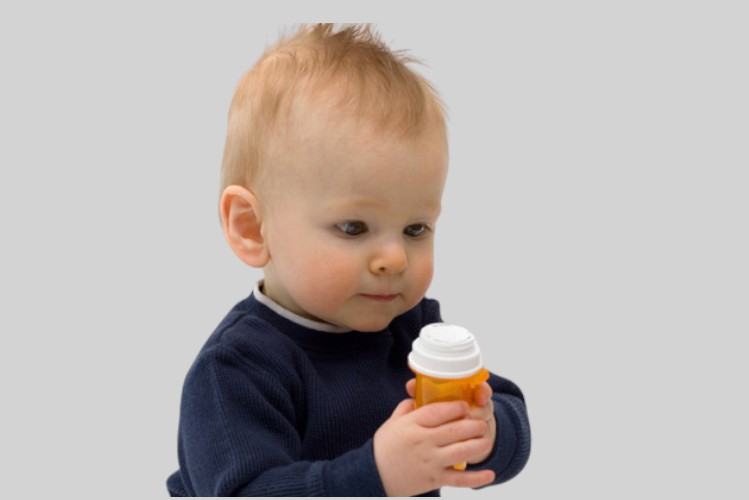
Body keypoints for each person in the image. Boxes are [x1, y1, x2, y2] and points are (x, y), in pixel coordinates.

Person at [167, 24, 531, 496]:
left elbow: (509, 408)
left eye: (415, 228)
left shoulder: (412, 328)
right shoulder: (235, 370)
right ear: (252, 228)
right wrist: (376, 474)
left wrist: (485, 429)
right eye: (354, 228)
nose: (394, 257)